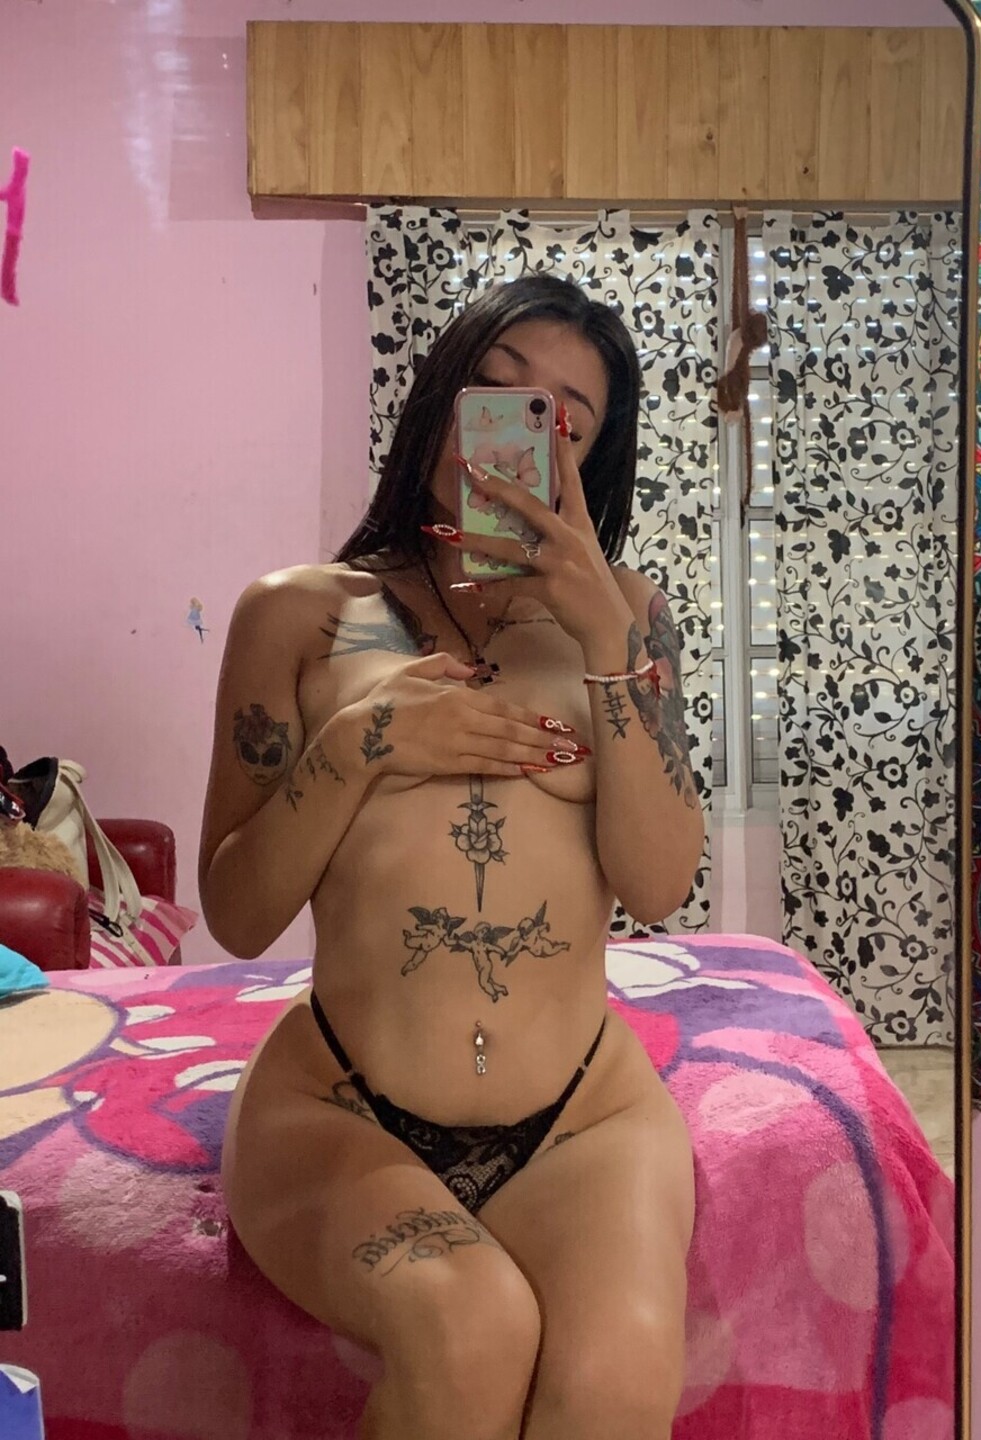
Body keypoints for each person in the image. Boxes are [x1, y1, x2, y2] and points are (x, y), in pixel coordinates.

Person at [201, 273, 704, 1440]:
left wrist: (603, 634)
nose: (525, 427)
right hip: (340, 1109)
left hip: (582, 1119)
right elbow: (234, 913)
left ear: (591, 453)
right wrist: (362, 744)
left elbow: (659, 884)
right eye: (499, 386)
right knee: (468, 1329)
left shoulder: (630, 617)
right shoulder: (299, 613)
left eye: (565, 413)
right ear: (441, 395)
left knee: (617, 1386)